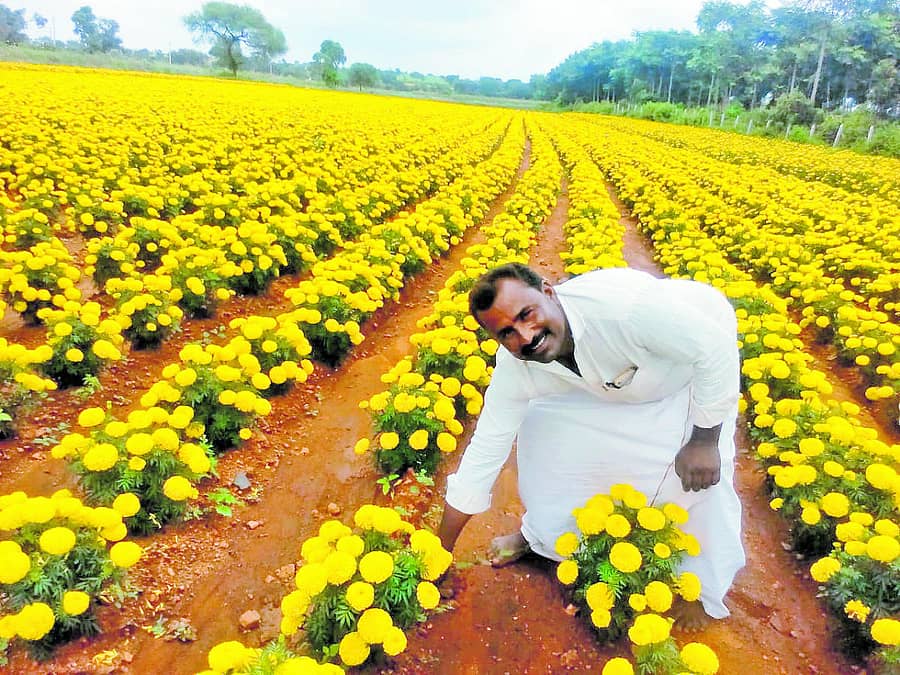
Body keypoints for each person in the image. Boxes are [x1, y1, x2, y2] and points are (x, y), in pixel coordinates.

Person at [437, 263, 745, 629]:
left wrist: (704, 440)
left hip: (686, 369)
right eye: (507, 333)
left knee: (700, 477)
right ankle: (538, 537)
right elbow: (485, 448)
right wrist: (439, 554)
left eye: (526, 314)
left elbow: (714, 351)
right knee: (546, 437)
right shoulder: (518, 365)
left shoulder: (626, 311)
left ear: (549, 292)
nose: (525, 335)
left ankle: (702, 590)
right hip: (609, 381)